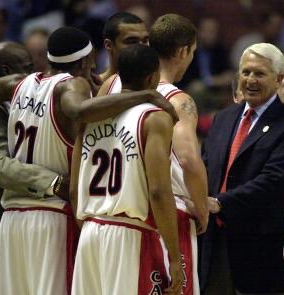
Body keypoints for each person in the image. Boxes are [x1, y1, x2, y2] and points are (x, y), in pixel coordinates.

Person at [0, 26, 177, 295]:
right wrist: (147, 95)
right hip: (52, 218)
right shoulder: (73, 85)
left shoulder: (18, 84)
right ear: (84, 61)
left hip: (12, 220)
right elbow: (79, 110)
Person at [99, 13, 209, 294]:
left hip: (104, 214)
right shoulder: (177, 100)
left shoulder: (112, 84)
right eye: (192, 53)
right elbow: (188, 159)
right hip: (160, 216)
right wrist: (203, 208)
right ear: (183, 51)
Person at [201, 43, 284, 294]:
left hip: (261, 247)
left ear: (279, 79)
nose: (250, 80)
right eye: (246, 72)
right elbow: (205, 166)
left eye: (260, 74)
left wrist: (221, 203)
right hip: (214, 240)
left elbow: (275, 179)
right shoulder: (223, 118)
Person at [72, 44, 183, 295]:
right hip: (131, 235)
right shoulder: (155, 117)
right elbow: (158, 191)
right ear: (152, 77)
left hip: (90, 230)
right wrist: (175, 256)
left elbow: (73, 186)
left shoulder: (91, 117)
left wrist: (91, 227)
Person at [0, 41, 62, 295]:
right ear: (5, 71)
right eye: (27, 68)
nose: (35, 76)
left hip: (22, 227)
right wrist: (55, 182)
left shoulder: (24, 107)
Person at [100, 12, 149, 82]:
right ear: (109, 45)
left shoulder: (161, 87)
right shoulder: (91, 89)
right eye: (132, 42)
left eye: (145, 41)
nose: (142, 48)